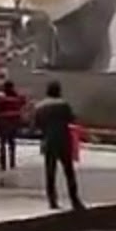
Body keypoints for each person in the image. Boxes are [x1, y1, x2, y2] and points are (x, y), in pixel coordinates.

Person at [32, 80, 83, 211]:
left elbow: (36, 126)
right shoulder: (63, 105)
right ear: (59, 91)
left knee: (50, 172)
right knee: (69, 171)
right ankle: (74, 200)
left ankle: (52, 201)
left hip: (48, 142)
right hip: (63, 141)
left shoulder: (39, 107)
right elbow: (71, 119)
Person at [0, 80, 28, 172]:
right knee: (12, 142)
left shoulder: (1, 98)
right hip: (14, 123)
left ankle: (2, 164)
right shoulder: (16, 98)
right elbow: (23, 103)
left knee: (2, 143)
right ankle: (12, 162)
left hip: (3, 123)